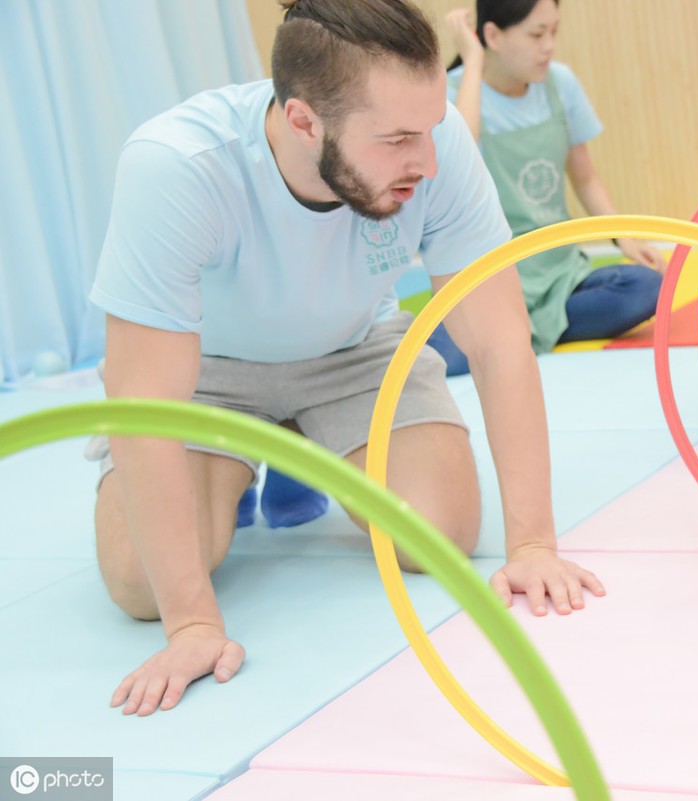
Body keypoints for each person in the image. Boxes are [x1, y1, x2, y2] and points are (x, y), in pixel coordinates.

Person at [89, 0, 604, 718]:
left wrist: (534, 542)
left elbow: (497, 340)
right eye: (396, 139)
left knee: (439, 535)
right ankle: (247, 467)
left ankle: (302, 448)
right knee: (140, 586)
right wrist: (193, 623)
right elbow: (144, 405)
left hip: (353, 353)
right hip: (209, 372)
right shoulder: (180, 166)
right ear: (303, 121)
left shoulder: (438, 144)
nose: (425, 162)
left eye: (429, 131)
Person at [428, 0, 665, 375]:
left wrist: (625, 239)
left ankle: (518, 333)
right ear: (493, 36)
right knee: (439, 360)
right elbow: (461, 159)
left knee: (646, 287)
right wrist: (473, 62)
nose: (549, 45)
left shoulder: (561, 83)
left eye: (553, 32)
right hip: (493, 277)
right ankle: (514, 329)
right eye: (537, 34)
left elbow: (585, 178)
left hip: (559, 272)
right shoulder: (456, 93)